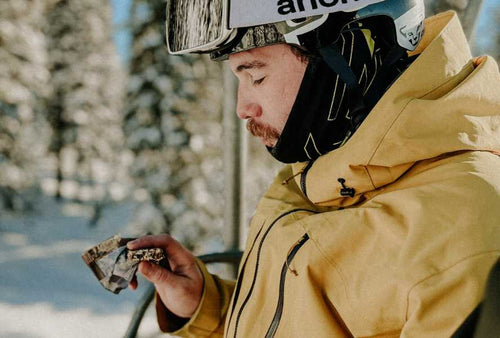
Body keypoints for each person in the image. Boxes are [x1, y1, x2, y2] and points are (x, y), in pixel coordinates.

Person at [127, 0, 500, 336]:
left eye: (256, 76)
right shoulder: (330, 170)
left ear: (346, 52)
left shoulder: (463, 228)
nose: (243, 108)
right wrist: (207, 308)